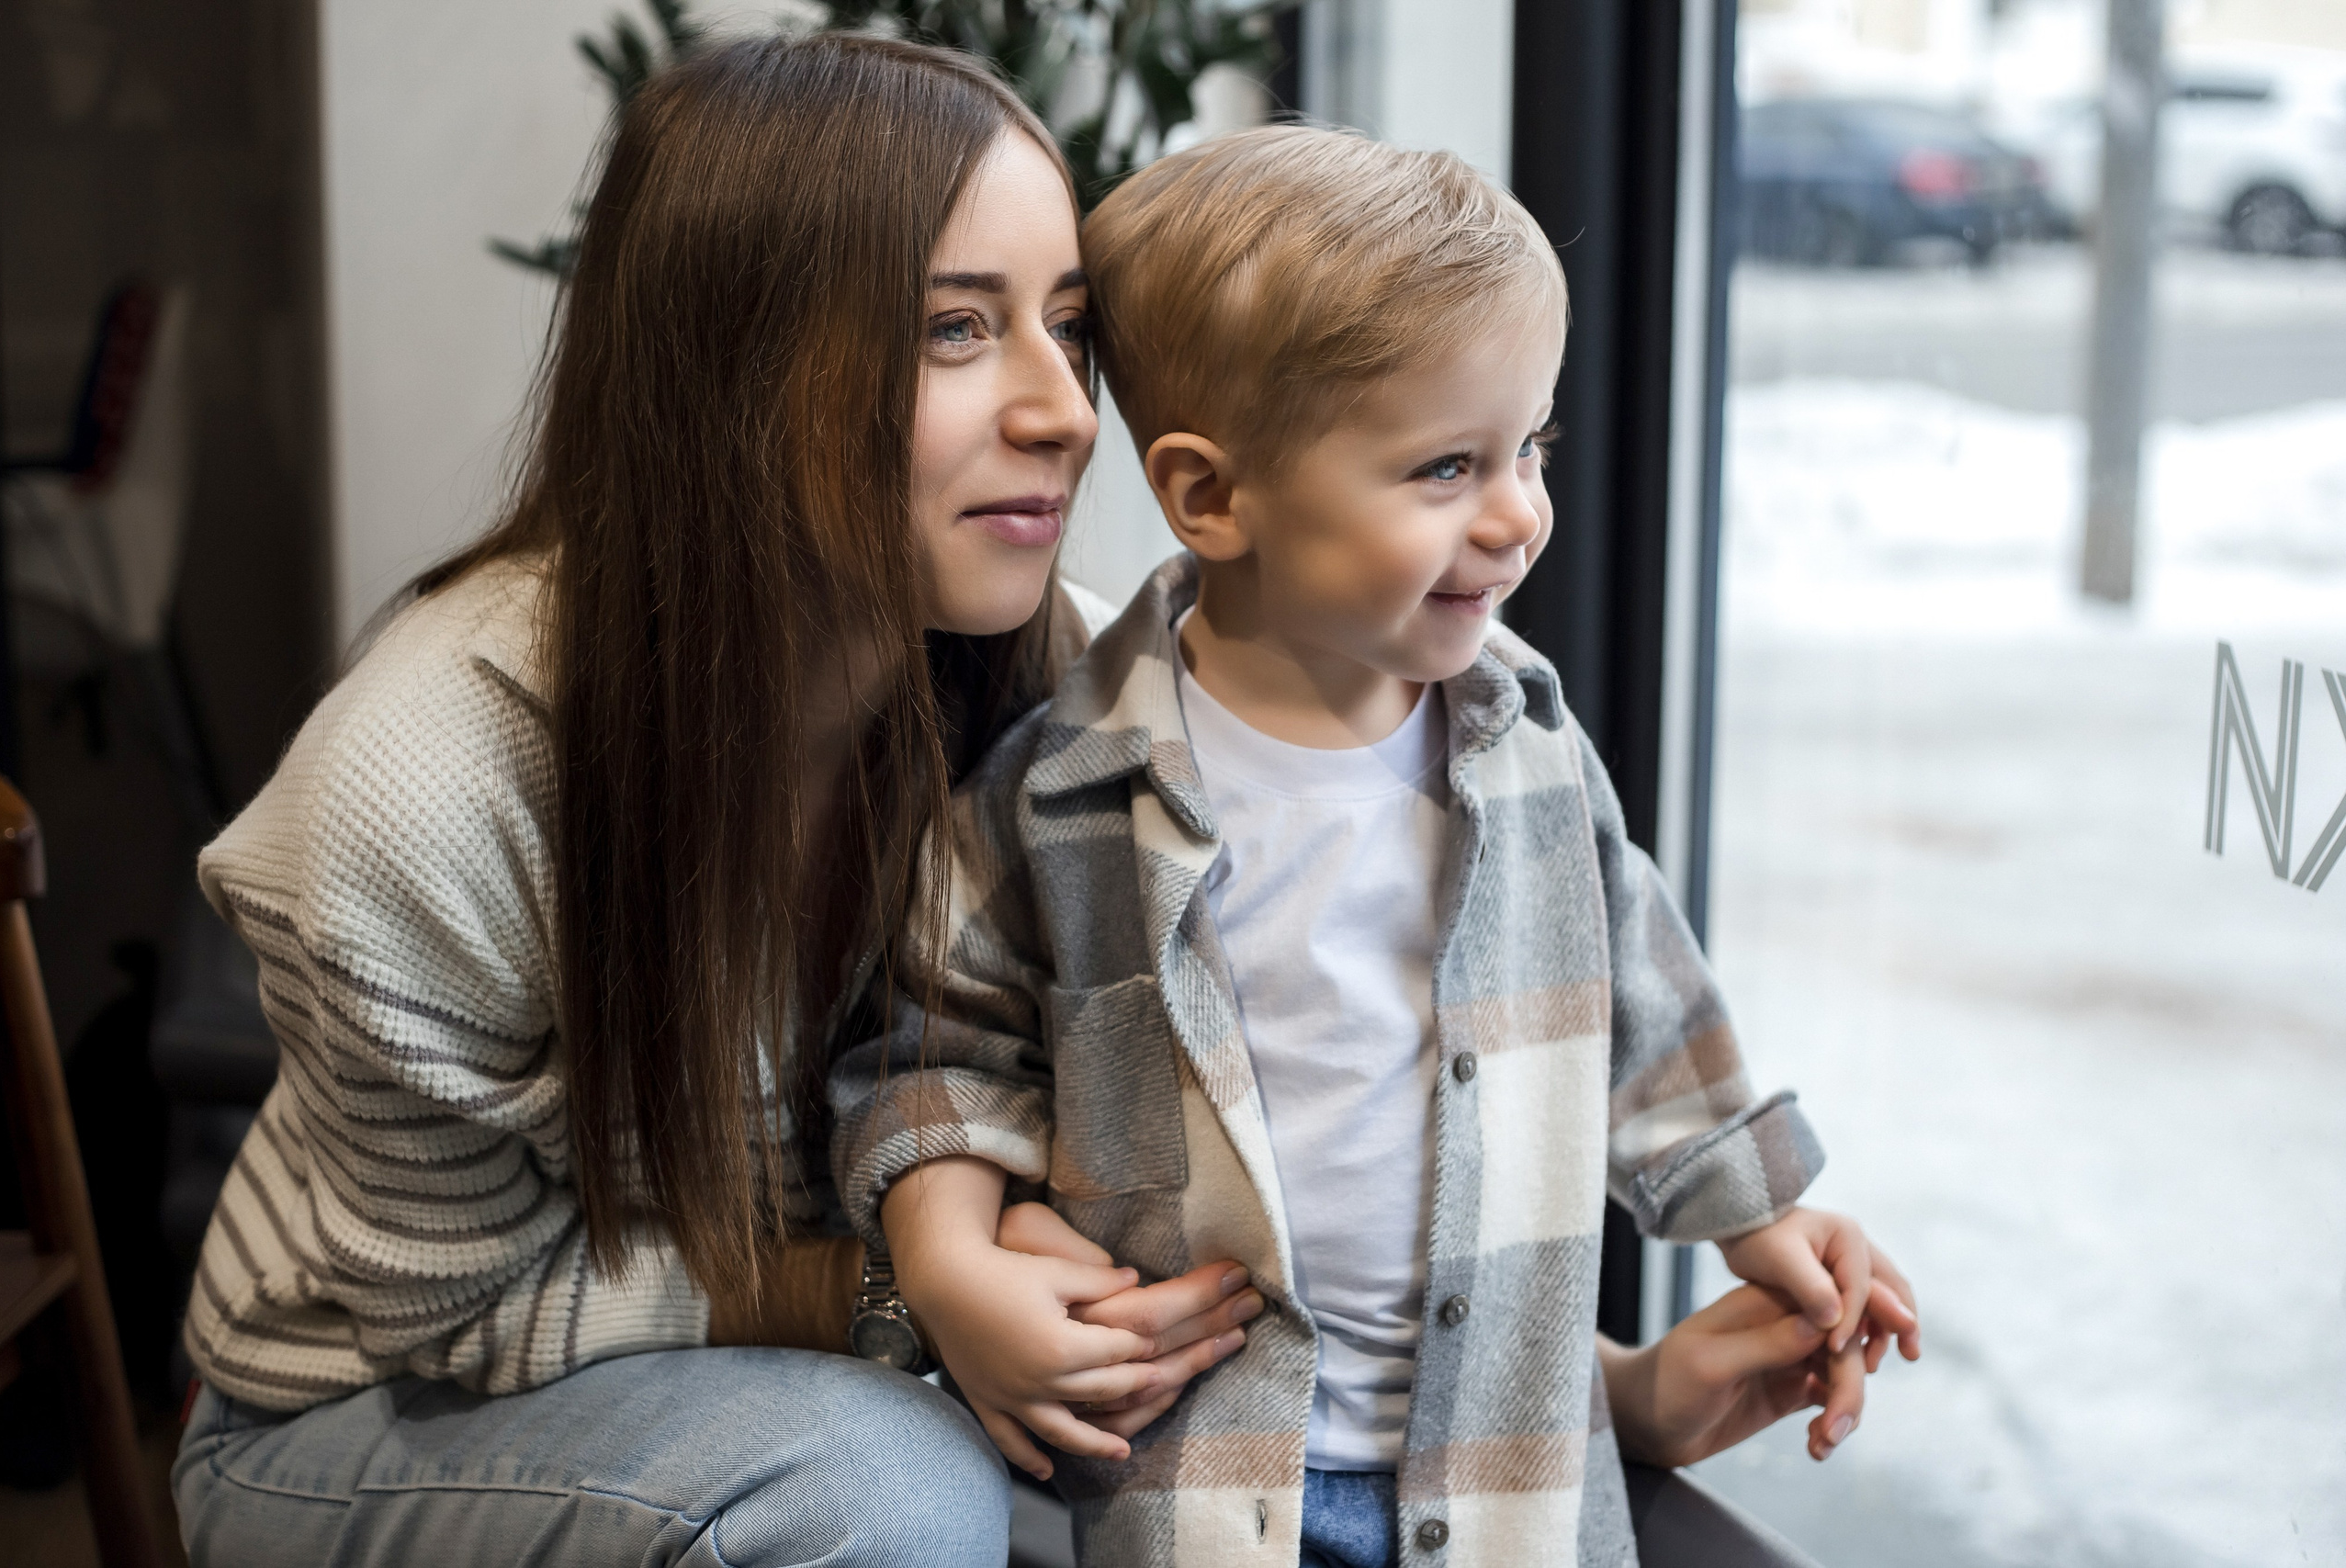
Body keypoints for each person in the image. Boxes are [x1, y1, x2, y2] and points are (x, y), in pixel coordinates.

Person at [169, 34, 1258, 1568]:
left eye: (1065, 329)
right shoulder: (422, 796)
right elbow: (460, 1315)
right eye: (956, 329)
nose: (1064, 411)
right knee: (886, 1496)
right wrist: (902, 1293)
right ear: (734, 366)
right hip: (359, 1409)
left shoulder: (1057, 679)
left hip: (804, 1358)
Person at [833, 126, 1921, 1568]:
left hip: (1511, 1479)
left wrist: (1758, 1215)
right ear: (1213, 498)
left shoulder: (1528, 754)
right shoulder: (1060, 791)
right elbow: (937, 1051)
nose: (1519, 513)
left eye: (1530, 446)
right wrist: (942, 1251)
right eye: (1445, 467)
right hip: (1206, 1487)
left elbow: (1646, 999)